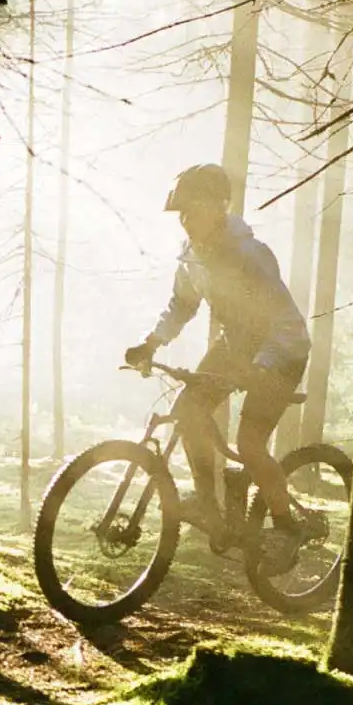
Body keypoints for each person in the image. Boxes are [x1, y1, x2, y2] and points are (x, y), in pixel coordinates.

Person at [124, 163, 311, 549]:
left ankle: (286, 526)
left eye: (192, 210)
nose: (186, 221)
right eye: (181, 214)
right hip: (237, 345)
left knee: (250, 445)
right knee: (187, 411)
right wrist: (151, 344)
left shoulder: (250, 255)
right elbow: (181, 306)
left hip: (283, 350)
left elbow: (283, 321)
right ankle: (211, 510)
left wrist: (262, 368)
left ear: (217, 207)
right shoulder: (193, 256)